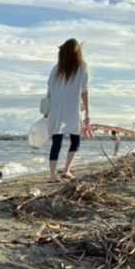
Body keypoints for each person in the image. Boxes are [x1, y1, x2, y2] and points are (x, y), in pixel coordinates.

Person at [43, 38, 90, 181]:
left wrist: (47, 111)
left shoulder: (56, 69)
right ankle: (66, 170)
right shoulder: (82, 66)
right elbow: (84, 91)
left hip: (56, 110)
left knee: (56, 141)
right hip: (72, 109)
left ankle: (52, 175)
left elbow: (49, 91)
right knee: (75, 139)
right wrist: (87, 112)